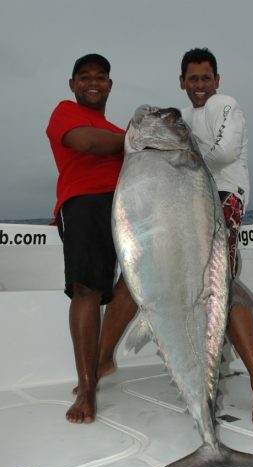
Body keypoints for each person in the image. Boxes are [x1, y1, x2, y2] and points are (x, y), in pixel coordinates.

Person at [179, 48, 253, 424]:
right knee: (200, 284)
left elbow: (224, 154)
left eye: (206, 78)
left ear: (217, 80)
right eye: (193, 78)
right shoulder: (182, 118)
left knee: (222, 281)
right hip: (193, 200)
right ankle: (210, 370)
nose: (200, 85)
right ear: (182, 82)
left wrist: (180, 152)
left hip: (225, 197)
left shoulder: (227, 105)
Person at [46, 54, 137, 424]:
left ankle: (103, 358)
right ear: (72, 84)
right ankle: (87, 389)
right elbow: (89, 143)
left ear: (110, 85)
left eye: (101, 77)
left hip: (126, 207)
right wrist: (133, 137)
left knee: (137, 282)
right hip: (83, 203)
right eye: (84, 77)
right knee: (87, 290)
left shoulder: (119, 131)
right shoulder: (65, 112)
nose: (93, 82)